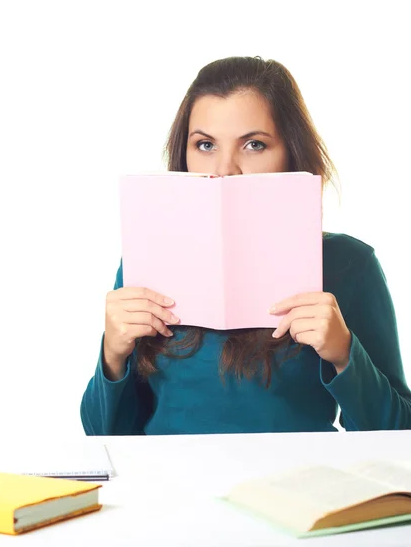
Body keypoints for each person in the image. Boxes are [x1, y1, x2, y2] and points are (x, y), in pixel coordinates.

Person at [81, 56, 411, 435]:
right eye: (205, 144)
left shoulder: (349, 263)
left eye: (254, 144)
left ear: (290, 152)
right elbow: (101, 438)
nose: (225, 170)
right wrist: (113, 355)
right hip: (172, 488)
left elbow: (399, 434)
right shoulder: (147, 260)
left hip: (297, 487)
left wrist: (344, 355)